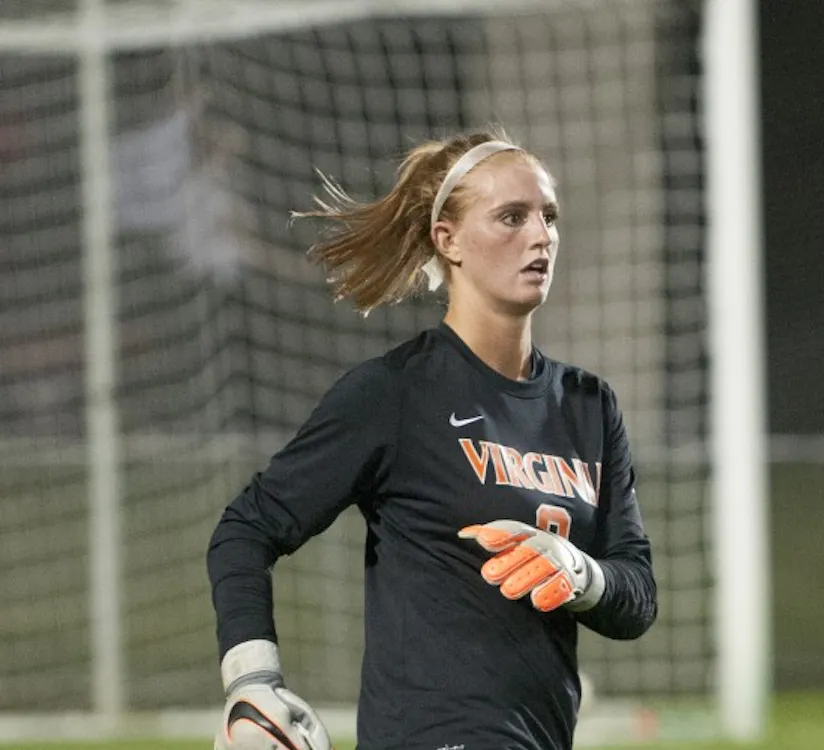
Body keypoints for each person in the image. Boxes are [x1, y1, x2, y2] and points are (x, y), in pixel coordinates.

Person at [207, 127, 658, 750]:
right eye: (511, 217)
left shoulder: (588, 406)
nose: (541, 236)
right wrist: (252, 681)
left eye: (548, 216)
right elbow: (246, 530)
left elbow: (637, 596)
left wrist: (581, 573)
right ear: (448, 241)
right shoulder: (395, 393)